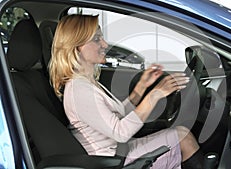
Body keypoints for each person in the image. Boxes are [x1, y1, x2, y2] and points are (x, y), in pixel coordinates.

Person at [49, 14, 204, 169]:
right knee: (184, 139)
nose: (104, 44)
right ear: (77, 47)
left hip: (119, 152)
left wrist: (141, 87)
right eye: (96, 39)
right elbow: (120, 132)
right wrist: (155, 94)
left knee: (181, 133)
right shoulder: (79, 90)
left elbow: (117, 116)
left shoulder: (85, 83)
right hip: (111, 162)